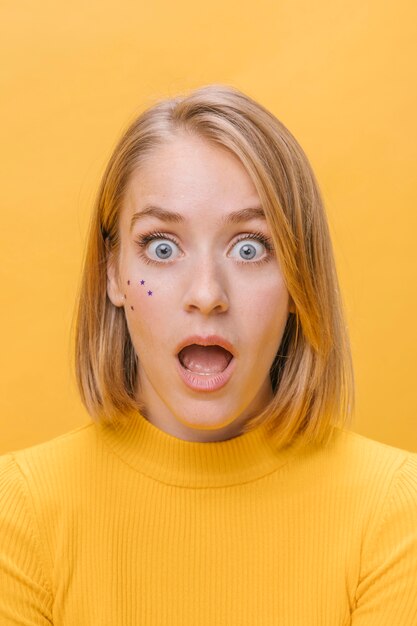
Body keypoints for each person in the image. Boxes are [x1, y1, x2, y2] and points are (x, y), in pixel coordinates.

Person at [0, 84, 416, 625]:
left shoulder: (394, 510)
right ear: (113, 274)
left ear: (298, 279)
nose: (206, 294)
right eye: (162, 247)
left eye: (249, 247)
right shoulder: (20, 510)